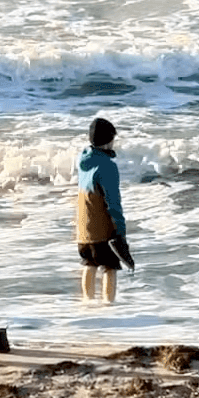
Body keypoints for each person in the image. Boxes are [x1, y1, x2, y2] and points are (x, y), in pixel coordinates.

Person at [76, 115, 134, 303]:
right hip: (102, 227)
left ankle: (87, 303)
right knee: (110, 266)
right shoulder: (107, 167)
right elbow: (113, 202)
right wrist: (120, 230)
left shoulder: (83, 160)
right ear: (108, 140)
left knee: (89, 263)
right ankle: (109, 306)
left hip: (83, 226)